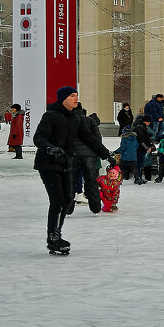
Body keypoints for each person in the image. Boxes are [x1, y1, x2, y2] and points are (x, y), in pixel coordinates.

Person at [33, 87, 110, 255]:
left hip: (66, 163)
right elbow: (39, 137)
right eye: (72, 96)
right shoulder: (51, 116)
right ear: (63, 99)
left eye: (76, 95)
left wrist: (106, 154)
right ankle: (53, 238)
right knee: (58, 200)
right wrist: (50, 148)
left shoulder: (75, 117)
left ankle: (56, 235)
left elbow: (89, 139)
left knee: (67, 199)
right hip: (48, 163)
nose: (76, 98)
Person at [71, 112, 106, 212]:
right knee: (91, 180)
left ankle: (68, 207)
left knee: (71, 180)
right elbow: (98, 140)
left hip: (74, 154)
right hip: (89, 155)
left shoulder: (68, 121)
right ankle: (95, 206)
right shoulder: (90, 122)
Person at [132, 116, 156, 185]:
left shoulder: (140, 127)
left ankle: (139, 177)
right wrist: (147, 148)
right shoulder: (140, 128)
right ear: (145, 121)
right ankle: (138, 178)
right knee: (139, 164)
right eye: (148, 122)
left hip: (140, 148)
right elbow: (141, 139)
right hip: (140, 148)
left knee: (140, 164)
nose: (149, 123)